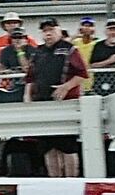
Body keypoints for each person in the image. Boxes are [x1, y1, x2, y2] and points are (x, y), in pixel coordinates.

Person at [25, 19, 89, 176]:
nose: (48, 34)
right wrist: (27, 96)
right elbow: (30, 78)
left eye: (51, 30)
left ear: (59, 31)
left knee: (67, 146)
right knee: (48, 147)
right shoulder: (37, 52)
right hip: (42, 103)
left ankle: (72, 179)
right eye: (45, 31)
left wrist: (65, 87)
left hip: (64, 104)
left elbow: (82, 74)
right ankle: (55, 179)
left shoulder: (69, 50)